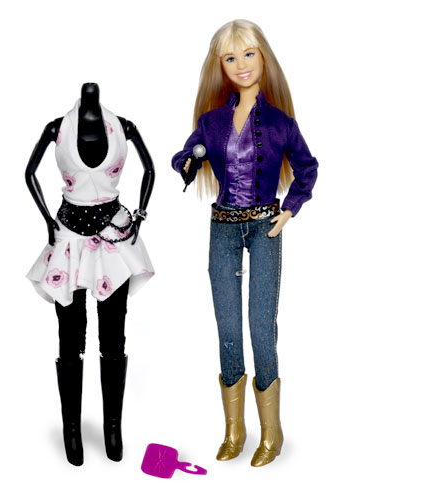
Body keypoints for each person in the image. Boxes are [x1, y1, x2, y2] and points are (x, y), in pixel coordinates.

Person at [172, 20, 318, 467]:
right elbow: (183, 154)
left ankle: (271, 433)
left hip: (264, 228)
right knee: (228, 327)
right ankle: (234, 431)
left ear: (264, 58)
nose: (241, 65)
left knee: (261, 325)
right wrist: (189, 162)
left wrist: (289, 209)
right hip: (222, 228)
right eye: (231, 57)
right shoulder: (211, 121)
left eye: (249, 54)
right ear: (220, 66)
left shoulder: (280, 123)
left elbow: (307, 167)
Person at [26, 83, 155, 466]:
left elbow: (150, 169)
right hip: (68, 236)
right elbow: (28, 173)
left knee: (114, 334)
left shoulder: (124, 127)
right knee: (70, 337)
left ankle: (113, 428)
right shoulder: (57, 128)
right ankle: (72, 430)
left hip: (114, 237)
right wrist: (46, 219)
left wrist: (141, 214)